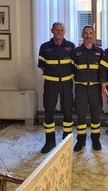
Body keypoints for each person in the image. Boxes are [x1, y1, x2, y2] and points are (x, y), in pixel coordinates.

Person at [38, 22, 75, 154]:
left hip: (66, 84)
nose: (59, 32)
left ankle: (66, 140)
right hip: (51, 84)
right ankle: (50, 141)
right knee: (49, 111)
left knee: (68, 111)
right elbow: (42, 65)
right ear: (52, 31)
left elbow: (73, 65)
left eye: (61, 30)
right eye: (57, 30)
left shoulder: (71, 46)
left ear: (65, 31)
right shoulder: (44, 47)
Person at [71, 25, 104, 152]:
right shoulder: (76, 51)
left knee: (96, 115)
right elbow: (72, 68)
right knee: (81, 115)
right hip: (81, 88)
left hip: (95, 88)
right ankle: (81, 140)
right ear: (82, 34)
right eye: (86, 33)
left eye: (90, 33)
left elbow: (102, 71)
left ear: (94, 35)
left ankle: (96, 140)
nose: (88, 36)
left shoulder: (100, 52)